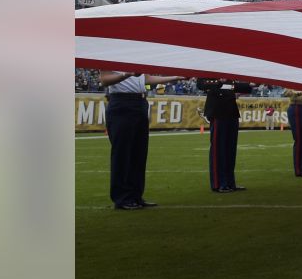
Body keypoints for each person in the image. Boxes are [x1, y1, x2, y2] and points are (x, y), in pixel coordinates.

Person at [100, 69, 185, 209]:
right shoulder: (112, 55)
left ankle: (135, 195)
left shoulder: (134, 57)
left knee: (138, 154)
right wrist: (126, 74)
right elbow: (104, 80)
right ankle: (122, 198)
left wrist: (174, 77)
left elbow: (147, 79)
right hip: (122, 102)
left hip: (139, 102)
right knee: (123, 154)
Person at [198, 77, 253, 192]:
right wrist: (219, 81)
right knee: (218, 150)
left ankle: (230, 182)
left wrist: (251, 85)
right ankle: (218, 184)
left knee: (230, 150)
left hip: (231, 111)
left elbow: (234, 86)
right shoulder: (208, 69)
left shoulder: (229, 73)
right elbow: (201, 84)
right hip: (218, 112)